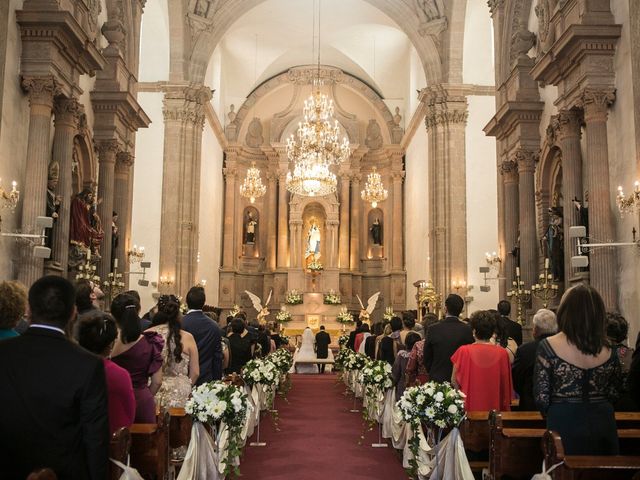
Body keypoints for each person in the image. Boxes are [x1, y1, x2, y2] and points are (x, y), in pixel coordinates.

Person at [0, 276, 108, 479]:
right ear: (73, 313)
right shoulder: (88, 364)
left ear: (28, 310)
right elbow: (95, 439)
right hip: (65, 472)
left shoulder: (3, 354)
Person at [534, 285, 623, 455]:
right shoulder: (610, 350)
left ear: (565, 311)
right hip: (603, 424)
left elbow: (541, 398)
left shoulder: (548, 347)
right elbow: (614, 393)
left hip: (564, 425)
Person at [77, 311, 135, 434]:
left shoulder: (71, 369)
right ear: (110, 344)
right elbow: (129, 414)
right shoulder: (120, 374)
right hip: (110, 441)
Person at [110, 293, 164, 423]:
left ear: (114, 316)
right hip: (142, 401)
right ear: (138, 311)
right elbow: (157, 381)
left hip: (114, 400)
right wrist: (144, 396)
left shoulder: (108, 342)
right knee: (144, 443)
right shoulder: (150, 341)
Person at [451, 310, 513, 411]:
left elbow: (454, 380)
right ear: (493, 332)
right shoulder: (502, 353)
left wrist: (460, 399)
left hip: (470, 408)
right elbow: (505, 384)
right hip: (494, 407)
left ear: (474, 331)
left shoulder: (463, 351)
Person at [148, 295, 199, 409]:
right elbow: (195, 372)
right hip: (180, 395)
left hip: (153, 392)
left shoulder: (148, 333)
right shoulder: (188, 337)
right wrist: (184, 386)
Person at [512, 309, 557, 411]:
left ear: (535, 329)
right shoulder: (563, 347)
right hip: (557, 407)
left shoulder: (525, 350)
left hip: (530, 405)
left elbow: (516, 378)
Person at [423, 294, 474, 382]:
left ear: (445, 309)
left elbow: (427, 356)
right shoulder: (467, 329)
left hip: (437, 377)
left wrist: (432, 370)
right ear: (461, 310)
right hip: (460, 378)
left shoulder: (433, 329)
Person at [182, 286, 224, 383]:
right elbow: (217, 356)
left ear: (187, 302)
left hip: (184, 378)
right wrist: (216, 382)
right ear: (203, 303)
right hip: (206, 378)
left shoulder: (180, 323)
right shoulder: (214, 326)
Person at [406, 313, 438, 386]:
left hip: (421, 381)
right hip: (438, 380)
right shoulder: (441, 344)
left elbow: (410, 367)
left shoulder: (418, 345)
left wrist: (409, 382)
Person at [393, 332, 421, 399]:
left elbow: (396, 372)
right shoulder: (420, 356)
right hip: (417, 386)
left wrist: (393, 382)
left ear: (406, 343)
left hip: (403, 387)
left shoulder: (402, 355)